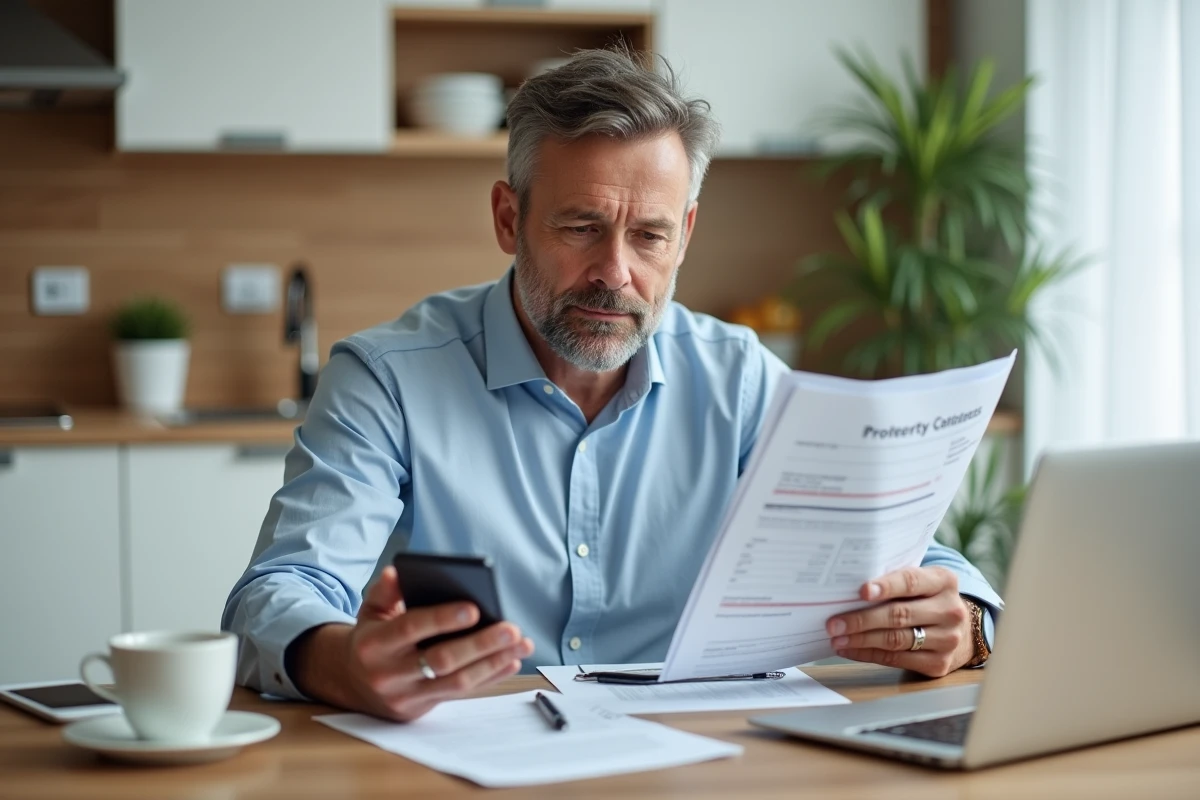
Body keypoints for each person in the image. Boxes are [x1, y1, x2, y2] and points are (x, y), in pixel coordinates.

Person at [223, 48, 1002, 722]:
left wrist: (962, 622)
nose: (614, 274)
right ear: (507, 218)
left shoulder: (740, 378)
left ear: (686, 234)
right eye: (580, 227)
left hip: (697, 760)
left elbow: (909, 557)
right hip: (462, 763)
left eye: (649, 235)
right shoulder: (386, 380)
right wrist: (341, 661)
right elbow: (279, 590)